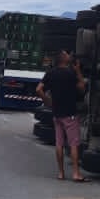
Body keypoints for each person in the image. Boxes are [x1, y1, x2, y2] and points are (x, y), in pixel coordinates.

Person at [36, 51, 87, 182]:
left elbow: (38, 89)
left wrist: (47, 100)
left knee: (59, 143)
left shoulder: (51, 73)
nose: (69, 55)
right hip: (70, 114)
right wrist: (78, 71)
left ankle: (60, 173)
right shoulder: (71, 74)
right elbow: (82, 87)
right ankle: (76, 173)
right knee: (73, 144)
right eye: (67, 54)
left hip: (56, 113)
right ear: (64, 59)